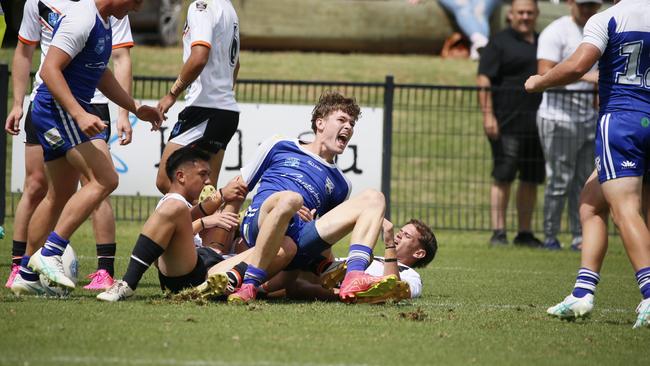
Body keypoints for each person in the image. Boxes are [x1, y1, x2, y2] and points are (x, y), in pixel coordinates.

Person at [9, 0, 163, 296]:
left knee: (60, 194)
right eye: (137, 1)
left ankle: (27, 272)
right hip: (58, 109)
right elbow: (50, 70)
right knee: (106, 179)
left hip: (60, 110)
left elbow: (101, 74)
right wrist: (78, 114)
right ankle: (51, 252)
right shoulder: (82, 18)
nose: (138, 9)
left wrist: (134, 107)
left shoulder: (102, 20)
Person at [525, 0, 650, 328]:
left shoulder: (608, 18)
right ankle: (582, 294)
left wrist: (540, 81)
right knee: (590, 204)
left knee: (625, 210)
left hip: (622, 122)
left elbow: (578, 65)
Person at [223, 91, 399, 304]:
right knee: (290, 199)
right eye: (342, 120)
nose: (349, 127)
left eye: (352, 123)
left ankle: (354, 275)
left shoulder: (342, 185)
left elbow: (324, 239)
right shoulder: (280, 144)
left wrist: (325, 267)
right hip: (260, 221)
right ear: (320, 123)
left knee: (375, 197)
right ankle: (250, 282)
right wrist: (220, 243)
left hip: (297, 239)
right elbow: (238, 188)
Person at [97, 148, 247, 301]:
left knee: (240, 192)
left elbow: (194, 214)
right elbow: (159, 257)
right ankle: (128, 283)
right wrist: (204, 222)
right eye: (203, 174)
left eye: (208, 175)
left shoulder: (182, 207)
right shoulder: (172, 204)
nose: (208, 180)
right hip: (189, 270)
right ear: (181, 176)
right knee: (176, 207)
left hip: (211, 264)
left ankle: (246, 285)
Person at [155, 0, 240, 196]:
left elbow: (199, 56)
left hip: (205, 109)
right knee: (206, 191)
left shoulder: (202, 6)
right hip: (226, 111)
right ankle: (219, 221)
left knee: (167, 181)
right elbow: (236, 65)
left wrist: (172, 95)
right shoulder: (228, 9)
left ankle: (226, 223)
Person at [477, 0, 544, 247]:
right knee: (503, 176)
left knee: (531, 179)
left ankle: (525, 233)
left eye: (529, 12)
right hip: (506, 124)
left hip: (538, 124)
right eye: (520, 12)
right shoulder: (498, 42)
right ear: (510, 15)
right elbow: (483, 79)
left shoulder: (542, 42)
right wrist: (487, 115)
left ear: (536, 14)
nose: (525, 17)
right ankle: (499, 231)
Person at [535, 0, 601, 250]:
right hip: (558, 118)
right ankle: (550, 236)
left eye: (593, 5)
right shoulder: (556, 31)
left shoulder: (598, 27)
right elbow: (544, 71)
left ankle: (579, 237)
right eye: (583, 5)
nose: (588, 10)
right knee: (559, 180)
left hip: (587, 117)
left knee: (584, 182)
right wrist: (584, 74)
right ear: (571, 3)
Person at [264, 218, 438, 303]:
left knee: (296, 283)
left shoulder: (412, 276)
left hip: (342, 291)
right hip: (328, 271)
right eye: (400, 231)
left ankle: (256, 285)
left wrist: (390, 244)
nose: (399, 235)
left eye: (406, 236)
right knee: (315, 242)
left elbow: (394, 290)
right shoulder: (373, 257)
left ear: (419, 253)